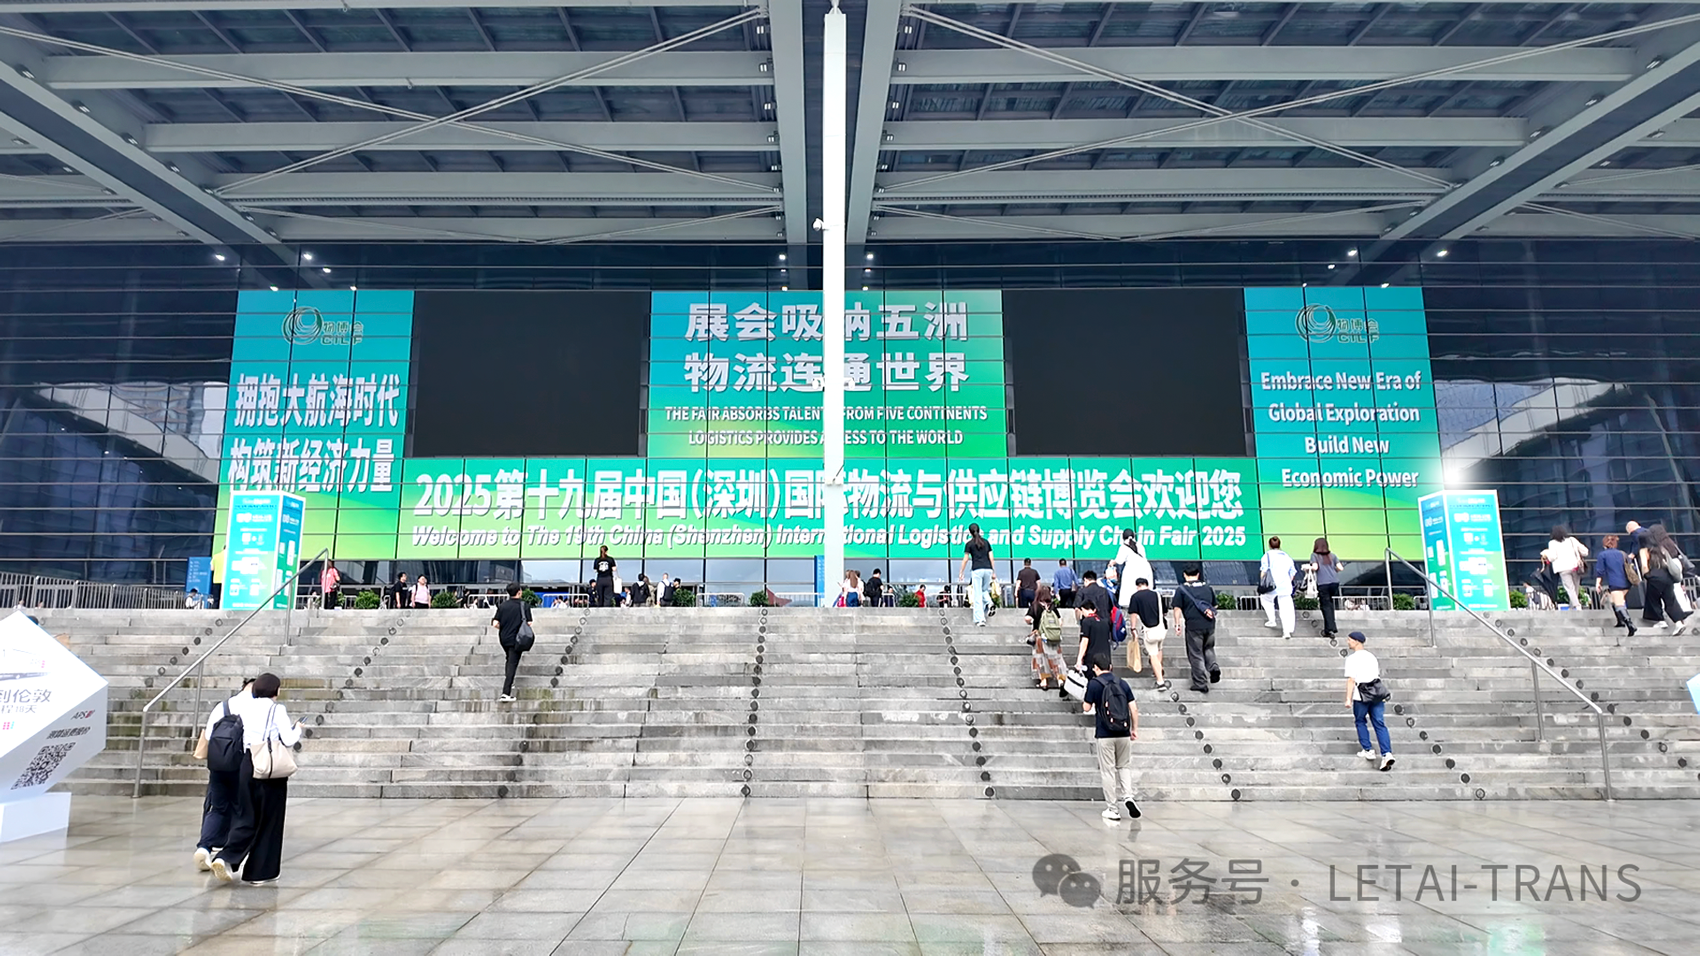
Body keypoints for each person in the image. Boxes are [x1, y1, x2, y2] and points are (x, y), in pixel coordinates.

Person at [210, 673, 303, 885]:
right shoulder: (276, 709)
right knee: (270, 820)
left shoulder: (246, 707)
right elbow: (288, 739)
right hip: (268, 768)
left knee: (246, 816)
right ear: (275, 690)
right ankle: (260, 872)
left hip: (247, 763)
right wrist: (298, 728)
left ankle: (226, 857)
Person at [193, 677, 254, 872]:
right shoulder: (257, 707)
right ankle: (226, 855)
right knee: (241, 810)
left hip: (219, 764)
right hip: (241, 765)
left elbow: (208, 735)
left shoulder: (223, 706)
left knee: (217, 808)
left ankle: (204, 847)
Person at [1082, 654, 1140, 822]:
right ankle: (1128, 796)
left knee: (1108, 771)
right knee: (1124, 766)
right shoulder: (1122, 683)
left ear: (1095, 668)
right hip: (1124, 732)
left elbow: (1086, 707)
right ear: (1111, 667)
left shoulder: (1094, 684)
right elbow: (1134, 709)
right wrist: (1134, 729)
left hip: (1105, 734)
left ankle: (1113, 809)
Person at [1343, 631, 1394, 772]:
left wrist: (1348, 698)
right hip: (1376, 693)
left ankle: (1368, 749)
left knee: (1360, 720)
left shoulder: (1352, 659)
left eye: (1349, 640)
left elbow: (1351, 679)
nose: (1348, 642)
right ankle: (1387, 753)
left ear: (1356, 641)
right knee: (1379, 723)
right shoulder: (1372, 657)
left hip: (1361, 694)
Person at [1169, 564, 1219, 695]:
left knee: (1196, 654)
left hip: (1193, 626)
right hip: (1209, 624)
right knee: (1208, 648)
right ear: (1198, 574)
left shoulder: (1182, 589)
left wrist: (1177, 624)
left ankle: (1200, 683)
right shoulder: (1207, 588)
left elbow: (1177, 608)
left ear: (1184, 575)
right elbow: (1215, 606)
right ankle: (1213, 666)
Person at [1639, 523, 1692, 633]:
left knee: (1653, 599)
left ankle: (1660, 620)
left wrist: (1646, 575)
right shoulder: (1662, 547)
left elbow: (1644, 565)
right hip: (1667, 576)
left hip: (1654, 576)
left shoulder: (1645, 550)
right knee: (1670, 600)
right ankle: (1678, 623)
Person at [490, 582, 533, 702]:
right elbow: (529, 623)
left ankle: (509, 683)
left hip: (504, 638)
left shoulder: (503, 606)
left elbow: (495, 623)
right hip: (517, 639)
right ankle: (506, 692)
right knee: (512, 664)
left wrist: (505, 628)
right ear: (519, 592)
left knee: (509, 660)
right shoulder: (524, 605)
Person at [1126, 578, 1167, 691]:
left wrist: (1133, 629)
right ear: (1147, 585)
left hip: (1150, 630)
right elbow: (1164, 612)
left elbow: (1133, 615)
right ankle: (1158, 670)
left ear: (1137, 586)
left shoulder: (1136, 597)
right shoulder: (1157, 595)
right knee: (1159, 649)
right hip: (1162, 628)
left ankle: (1160, 681)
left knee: (1152, 654)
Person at [1073, 570, 1114, 677]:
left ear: (1085, 580)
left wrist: (1079, 621)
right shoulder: (1104, 591)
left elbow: (1077, 608)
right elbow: (1110, 608)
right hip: (1104, 626)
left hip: (1089, 627)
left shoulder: (1082, 591)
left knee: (1088, 648)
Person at [1025, 583, 1065, 691]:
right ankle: (1060, 679)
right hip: (1053, 637)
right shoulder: (1052, 606)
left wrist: (1032, 621)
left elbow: (1027, 618)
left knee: (1040, 658)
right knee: (1055, 658)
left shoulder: (1035, 606)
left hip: (1040, 637)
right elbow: (1060, 621)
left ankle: (1044, 681)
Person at [1595, 534, 1637, 637]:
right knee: (1613, 600)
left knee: (1619, 604)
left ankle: (1630, 624)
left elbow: (1600, 571)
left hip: (1615, 583)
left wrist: (1598, 583)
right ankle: (1620, 621)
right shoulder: (1623, 554)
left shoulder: (1602, 555)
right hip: (1626, 582)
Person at [959, 523, 997, 627]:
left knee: (977, 595)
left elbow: (966, 559)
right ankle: (989, 603)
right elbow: (991, 557)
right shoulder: (986, 542)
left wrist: (961, 572)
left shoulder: (969, 544)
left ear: (970, 533)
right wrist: (993, 571)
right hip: (988, 569)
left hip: (977, 570)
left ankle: (980, 619)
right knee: (984, 590)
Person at [1542, 525, 1589, 609]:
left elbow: (1552, 557)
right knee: (1575, 588)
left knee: (1570, 588)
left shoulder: (1552, 543)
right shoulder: (1572, 540)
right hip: (1575, 567)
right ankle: (1573, 607)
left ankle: (1577, 606)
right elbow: (1585, 551)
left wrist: (1546, 554)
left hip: (1563, 569)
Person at [1258, 536, 1297, 638]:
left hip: (1272, 586)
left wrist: (1262, 582)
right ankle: (1287, 632)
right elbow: (1292, 573)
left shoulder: (1267, 556)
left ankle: (1272, 620)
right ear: (1279, 545)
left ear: (1269, 545)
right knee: (1286, 609)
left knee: (1265, 599)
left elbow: (1264, 571)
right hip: (1285, 587)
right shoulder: (1287, 557)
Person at [1307, 538, 1344, 637]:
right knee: (1329, 604)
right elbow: (1340, 568)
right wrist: (1333, 570)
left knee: (1325, 606)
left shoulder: (1314, 555)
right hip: (1334, 582)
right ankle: (1330, 627)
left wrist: (1308, 568)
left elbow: (1315, 567)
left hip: (1323, 583)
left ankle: (1330, 629)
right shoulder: (1332, 555)